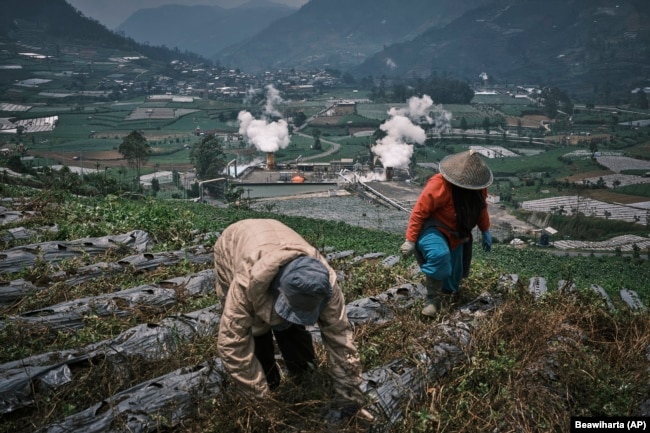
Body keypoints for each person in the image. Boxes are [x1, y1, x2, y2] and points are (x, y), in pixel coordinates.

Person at [213, 218, 367, 416]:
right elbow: (232, 344)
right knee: (255, 330)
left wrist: (350, 396)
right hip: (233, 244)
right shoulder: (245, 281)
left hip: (273, 239)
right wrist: (263, 405)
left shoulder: (324, 282)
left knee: (291, 325)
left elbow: (340, 339)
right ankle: (270, 382)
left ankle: (303, 374)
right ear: (278, 290)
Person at [400, 150, 493, 317]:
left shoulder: (479, 189)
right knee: (440, 256)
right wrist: (410, 240)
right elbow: (419, 212)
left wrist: (485, 229)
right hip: (434, 229)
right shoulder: (439, 185)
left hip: (458, 233)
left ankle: (447, 299)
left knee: (453, 277)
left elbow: (481, 208)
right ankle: (432, 300)